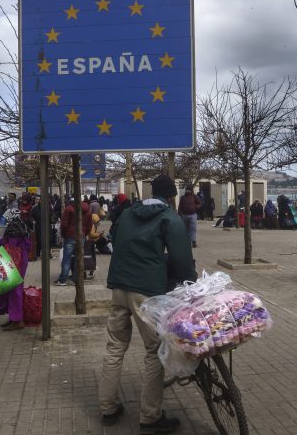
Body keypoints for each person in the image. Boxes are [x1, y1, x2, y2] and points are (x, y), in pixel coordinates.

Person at [99, 174, 197, 433]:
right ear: (171, 196)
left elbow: (114, 237)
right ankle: (150, 416)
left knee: (115, 346)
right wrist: (191, 283)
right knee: (154, 350)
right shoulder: (168, 217)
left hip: (118, 286)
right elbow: (182, 258)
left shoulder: (128, 213)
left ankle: (108, 408)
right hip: (147, 294)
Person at [0, 208, 31, 331]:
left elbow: (9, 246)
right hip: (21, 261)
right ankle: (13, 318)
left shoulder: (13, 228)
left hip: (15, 262)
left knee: (15, 291)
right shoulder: (22, 225)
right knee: (14, 290)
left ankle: (17, 320)